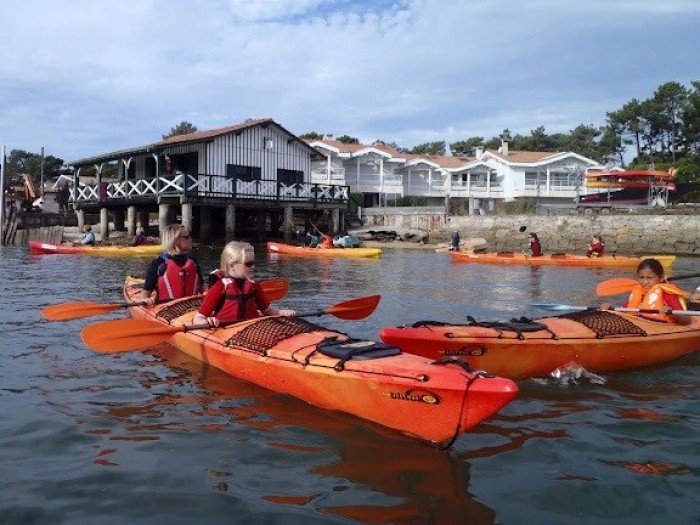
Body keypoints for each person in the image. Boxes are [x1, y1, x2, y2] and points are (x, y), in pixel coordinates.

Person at [194, 241, 295, 327]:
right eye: (248, 264)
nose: (253, 267)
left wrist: (282, 312)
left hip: (251, 329)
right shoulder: (220, 286)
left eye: (253, 263)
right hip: (226, 330)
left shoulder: (254, 285)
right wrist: (206, 321)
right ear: (232, 265)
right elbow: (199, 317)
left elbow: (268, 310)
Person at [601, 258, 690, 324]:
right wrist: (611, 309)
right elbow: (626, 310)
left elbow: (686, 320)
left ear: (661, 277)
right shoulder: (639, 291)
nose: (645, 282)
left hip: (661, 328)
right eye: (641, 277)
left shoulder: (667, 294)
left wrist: (671, 312)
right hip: (640, 326)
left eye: (650, 278)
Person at [140, 224, 204, 304]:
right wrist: (146, 300)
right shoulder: (158, 264)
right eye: (187, 237)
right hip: (166, 310)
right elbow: (145, 293)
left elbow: (202, 288)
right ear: (176, 241)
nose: (190, 239)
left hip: (191, 307)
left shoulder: (192, 261)